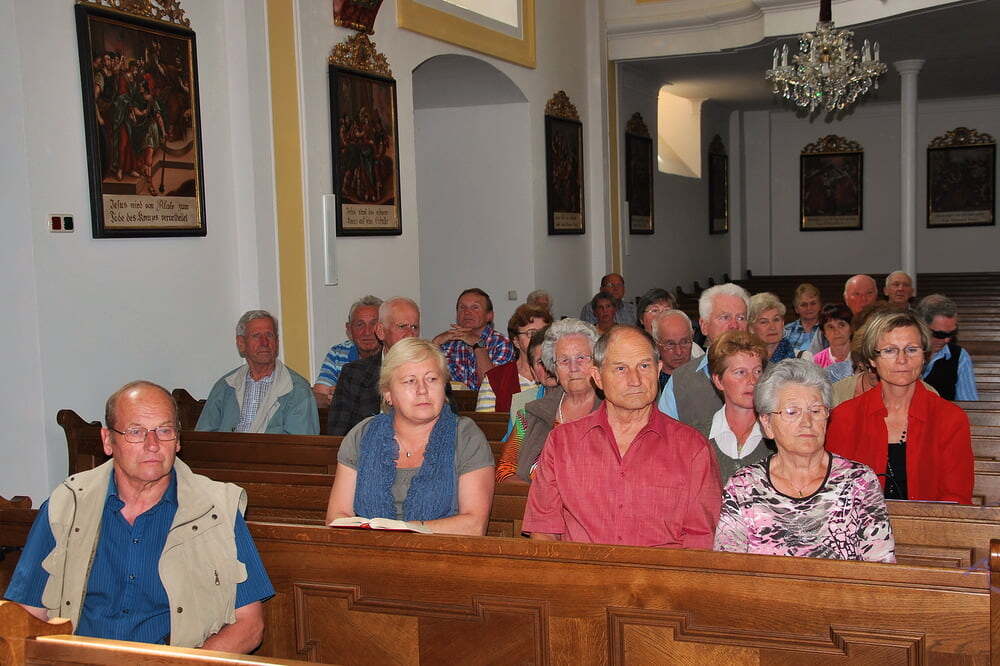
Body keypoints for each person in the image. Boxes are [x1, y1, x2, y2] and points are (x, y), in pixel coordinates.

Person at [4, 382, 274, 650]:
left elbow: (249, 626)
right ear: (108, 440)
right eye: (136, 432)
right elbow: (28, 616)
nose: (153, 444)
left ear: (178, 440)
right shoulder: (67, 505)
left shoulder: (216, 509)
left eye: (164, 430)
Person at [523, 326, 722, 547]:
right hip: (581, 568)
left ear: (658, 370)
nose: (635, 380)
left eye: (644, 366)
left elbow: (700, 539)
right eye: (620, 368)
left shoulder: (692, 448)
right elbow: (543, 530)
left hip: (661, 569)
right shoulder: (562, 442)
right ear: (597, 377)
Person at [714, 360, 895, 562]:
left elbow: (880, 567)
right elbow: (728, 568)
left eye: (816, 411)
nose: (807, 422)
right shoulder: (743, 486)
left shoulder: (859, 482)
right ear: (767, 423)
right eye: (792, 412)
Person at [325, 338, 495, 535]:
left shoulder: (465, 436)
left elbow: (474, 525)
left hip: (442, 552)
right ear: (388, 393)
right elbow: (337, 517)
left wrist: (404, 530)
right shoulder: (362, 435)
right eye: (409, 381)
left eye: (432, 379)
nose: (422, 390)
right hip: (369, 550)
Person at [826, 311, 974, 504]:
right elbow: (836, 493)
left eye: (911, 349)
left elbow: (956, 497)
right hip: (859, 522)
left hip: (931, 522)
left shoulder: (950, 418)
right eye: (890, 350)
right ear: (872, 359)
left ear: (924, 356)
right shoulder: (845, 416)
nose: (902, 359)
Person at [495, 319, 601, 485]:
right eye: (564, 360)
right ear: (554, 368)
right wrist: (541, 496)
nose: (573, 368)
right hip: (530, 500)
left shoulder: (614, 412)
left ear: (597, 362)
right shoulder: (530, 416)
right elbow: (504, 472)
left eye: (581, 357)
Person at [197, 310, 319, 434]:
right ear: (241, 343)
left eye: (269, 335)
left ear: (277, 342)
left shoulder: (297, 390)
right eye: (256, 336)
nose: (264, 342)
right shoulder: (225, 386)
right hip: (226, 447)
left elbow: (300, 443)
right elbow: (202, 437)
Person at [658, 283, 750, 434]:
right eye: (725, 317)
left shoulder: (769, 376)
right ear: (704, 326)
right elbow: (665, 436)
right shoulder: (680, 381)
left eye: (741, 318)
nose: (734, 325)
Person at [327, 297, 421, 436]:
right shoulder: (354, 374)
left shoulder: (431, 372)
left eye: (415, 327)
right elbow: (337, 435)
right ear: (381, 331)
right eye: (402, 326)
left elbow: (446, 429)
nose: (410, 334)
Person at [705, 331, 770, 483]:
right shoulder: (697, 436)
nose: (752, 380)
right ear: (718, 381)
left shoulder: (779, 434)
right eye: (740, 372)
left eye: (757, 371)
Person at [432, 288, 515, 391]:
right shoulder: (448, 344)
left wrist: (478, 345)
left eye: (475, 307)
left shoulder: (501, 344)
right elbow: (432, 382)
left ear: (489, 316)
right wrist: (435, 343)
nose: (467, 312)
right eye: (462, 307)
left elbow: (491, 387)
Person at [476, 304, 553, 412]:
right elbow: (487, 421)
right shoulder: (495, 378)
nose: (539, 338)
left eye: (544, 332)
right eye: (531, 333)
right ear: (516, 341)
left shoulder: (559, 373)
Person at [313, 295, 383, 407]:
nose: (367, 332)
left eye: (373, 324)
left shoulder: (396, 353)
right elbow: (318, 396)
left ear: (383, 327)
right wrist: (333, 399)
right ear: (349, 329)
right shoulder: (338, 353)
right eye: (360, 325)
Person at [917, 294, 979, 401]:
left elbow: (969, 404)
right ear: (921, 327)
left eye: (952, 333)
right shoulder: (902, 353)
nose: (947, 340)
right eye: (940, 334)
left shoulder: (960, 356)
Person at [650, 309, 702, 391]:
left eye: (684, 342)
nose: (679, 352)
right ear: (656, 343)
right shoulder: (649, 381)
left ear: (692, 336)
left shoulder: (706, 375)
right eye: (670, 344)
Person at [748, 292, 796, 363]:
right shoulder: (743, 359)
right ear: (751, 328)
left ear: (783, 323)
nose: (772, 327)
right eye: (764, 322)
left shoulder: (802, 357)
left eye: (776, 320)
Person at [812, 303, 853, 373]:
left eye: (841, 325)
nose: (836, 331)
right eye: (830, 327)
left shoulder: (862, 357)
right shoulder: (816, 361)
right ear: (824, 333)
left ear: (851, 328)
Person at [783, 283, 822, 353]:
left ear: (820, 305)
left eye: (813, 303)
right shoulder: (786, 331)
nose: (809, 308)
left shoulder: (829, 328)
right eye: (803, 305)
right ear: (796, 309)